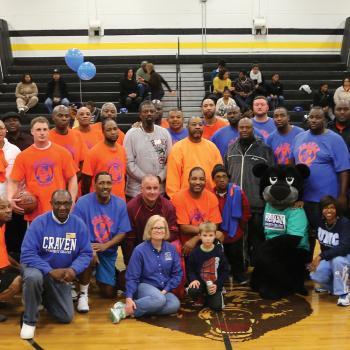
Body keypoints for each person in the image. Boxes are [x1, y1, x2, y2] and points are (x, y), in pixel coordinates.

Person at [19, 190, 92, 339]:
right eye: (58, 203)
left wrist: (73, 269)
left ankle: (38, 297)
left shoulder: (78, 224)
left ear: (71, 204)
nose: (62, 207)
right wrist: (49, 270)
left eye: (66, 203)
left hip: (60, 275)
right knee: (33, 278)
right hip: (38, 269)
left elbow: (86, 253)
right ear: (51, 204)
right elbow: (27, 253)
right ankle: (29, 320)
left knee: (65, 317)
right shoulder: (39, 222)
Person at [292, 107, 350, 260]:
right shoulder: (299, 137)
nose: (314, 120)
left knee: (328, 238)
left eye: (318, 117)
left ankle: (331, 270)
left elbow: (344, 169)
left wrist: (342, 196)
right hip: (305, 199)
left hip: (327, 200)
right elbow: (294, 168)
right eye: (311, 117)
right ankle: (305, 268)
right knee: (305, 236)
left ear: (324, 120)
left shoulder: (335, 139)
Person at [73, 172, 131, 311]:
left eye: (108, 183)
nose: (105, 186)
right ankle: (83, 295)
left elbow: (122, 232)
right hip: (87, 247)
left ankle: (104, 275)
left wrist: (106, 245)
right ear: (95, 185)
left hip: (107, 250)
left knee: (108, 293)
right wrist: (88, 248)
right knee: (87, 257)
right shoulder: (82, 202)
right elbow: (74, 229)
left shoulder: (120, 204)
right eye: (101, 183)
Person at [109, 215, 182, 323]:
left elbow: (177, 274)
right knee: (160, 300)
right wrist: (129, 297)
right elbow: (132, 277)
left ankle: (129, 308)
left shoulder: (171, 249)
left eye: (161, 228)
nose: (158, 230)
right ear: (149, 230)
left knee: (174, 305)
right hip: (143, 287)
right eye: (155, 228)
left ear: (165, 230)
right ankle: (124, 311)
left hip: (162, 289)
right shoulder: (139, 250)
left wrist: (166, 289)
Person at [8, 117, 78, 222]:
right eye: (38, 129)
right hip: (34, 210)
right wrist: (10, 198)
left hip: (59, 208)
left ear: (49, 131)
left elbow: (72, 178)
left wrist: (71, 200)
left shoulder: (62, 152)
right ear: (32, 131)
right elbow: (13, 181)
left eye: (45, 129)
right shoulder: (23, 156)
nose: (42, 133)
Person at [225, 117, 275, 261]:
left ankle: (260, 268)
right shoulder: (231, 148)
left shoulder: (264, 149)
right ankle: (241, 267)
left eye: (248, 127)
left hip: (257, 204)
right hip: (236, 205)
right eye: (242, 127)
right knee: (238, 240)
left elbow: (270, 177)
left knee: (257, 239)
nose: (245, 130)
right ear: (238, 129)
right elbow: (226, 174)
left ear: (253, 129)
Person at [123, 175, 179, 264]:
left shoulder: (168, 206)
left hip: (162, 246)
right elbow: (129, 239)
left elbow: (173, 232)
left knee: (176, 245)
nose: (152, 192)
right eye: (148, 188)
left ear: (160, 189)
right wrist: (130, 262)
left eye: (155, 188)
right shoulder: (131, 207)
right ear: (141, 189)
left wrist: (156, 241)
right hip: (139, 250)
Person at [123, 101, 172, 198]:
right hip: (136, 192)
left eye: (151, 111)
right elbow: (128, 162)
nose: (149, 113)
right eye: (145, 111)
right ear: (140, 115)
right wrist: (147, 180)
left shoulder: (164, 133)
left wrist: (159, 178)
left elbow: (170, 160)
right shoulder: (131, 134)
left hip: (159, 190)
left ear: (156, 114)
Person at [212, 164, 251, 284]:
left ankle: (239, 275)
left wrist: (242, 225)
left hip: (235, 230)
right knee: (219, 256)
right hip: (218, 231)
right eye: (218, 177)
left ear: (228, 178)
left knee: (236, 255)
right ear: (213, 180)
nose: (221, 179)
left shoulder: (237, 191)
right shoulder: (210, 194)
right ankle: (220, 279)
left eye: (224, 176)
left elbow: (246, 209)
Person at [166, 116, 223, 199]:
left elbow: (219, 173)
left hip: (209, 197)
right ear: (187, 127)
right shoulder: (177, 148)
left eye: (200, 124)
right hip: (184, 199)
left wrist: (216, 195)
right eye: (194, 124)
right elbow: (172, 179)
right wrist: (175, 198)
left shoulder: (212, 147)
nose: (197, 127)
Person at [309, 195, 350, 306]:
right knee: (315, 275)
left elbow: (344, 247)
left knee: (338, 261)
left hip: (345, 256)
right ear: (321, 210)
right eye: (325, 208)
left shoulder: (344, 223)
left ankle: (344, 293)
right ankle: (334, 288)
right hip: (330, 256)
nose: (329, 211)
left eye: (332, 207)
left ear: (337, 209)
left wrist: (320, 256)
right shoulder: (319, 221)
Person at [171, 167, 222, 255]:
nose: (198, 182)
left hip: (206, 240)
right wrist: (207, 230)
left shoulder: (211, 197)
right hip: (186, 244)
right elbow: (184, 228)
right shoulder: (178, 197)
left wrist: (196, 238)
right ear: (188, 180)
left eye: (201, 179)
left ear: (205, 181)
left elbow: (215, 226)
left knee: (220, 235)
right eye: (194, 179)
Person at [187, 222, 230, 310]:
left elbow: (225, 270)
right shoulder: (194, 252)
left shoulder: (219, 252)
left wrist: (218, 285)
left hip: (214, 284)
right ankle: (201, 296)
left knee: (217, 307)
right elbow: (190, 269)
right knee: (192, 290)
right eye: (205, 235)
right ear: (200, 236)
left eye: (211, 235)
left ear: (215, 236)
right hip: (200, 283)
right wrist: (193, 280)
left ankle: (213, 295)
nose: (208, 239)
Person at [81, 119, 127, 200]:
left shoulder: (122, 150)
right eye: (109, 130)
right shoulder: (93, 152)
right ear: (103, 132)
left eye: (115, 129)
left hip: (119, 200)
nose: (113, 132)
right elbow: (86, 181)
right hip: (99, 200)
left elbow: (123, 176)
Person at [49, 105, 87, 176]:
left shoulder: (78, 135)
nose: (64, 118)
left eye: (67, 116)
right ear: (53, 117)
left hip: (75, 180)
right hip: (54, 182)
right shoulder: (47, 137)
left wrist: (74, 180)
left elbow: (83, 162)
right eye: (60, 116)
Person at [0, 197, 21, 322]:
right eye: (2, 208)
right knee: (19, 279)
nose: (8, 210)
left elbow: (4, 255)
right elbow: (3, 268)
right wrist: (22, 270)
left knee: (21, 260)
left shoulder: (2, 226)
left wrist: (19, 266)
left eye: (8, 206)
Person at [0, 120, 21, 197]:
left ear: (6, 130)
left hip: (11, 200)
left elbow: (21, 178)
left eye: (1, 128)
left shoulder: (15, 150)